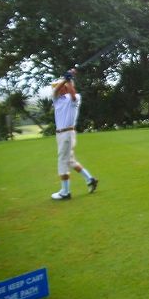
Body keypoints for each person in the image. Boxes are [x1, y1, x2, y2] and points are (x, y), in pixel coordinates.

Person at [51, 69, 98, 200]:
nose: (57, 89)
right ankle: (90, 179)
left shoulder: (75, 98)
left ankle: (65, 192)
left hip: (67, 134)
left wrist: (69, 80)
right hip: (60, 135)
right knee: (70, 160)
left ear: (66, 88)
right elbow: (55, 91)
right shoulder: (56, 99)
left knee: (62, 161)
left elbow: (72, 94)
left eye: (60, 87)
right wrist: (65, 79)